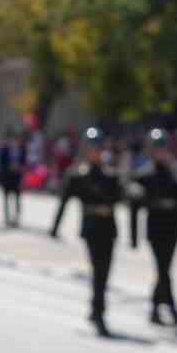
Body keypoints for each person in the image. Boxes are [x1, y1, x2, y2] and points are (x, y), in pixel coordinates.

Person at [51, 127, 124, 337]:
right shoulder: (78, 175)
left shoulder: (111, 174)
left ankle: (95, 307)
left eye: (98, 148)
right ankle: (99, 311)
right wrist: (54, 228)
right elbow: (64, 201)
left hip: (108, 227)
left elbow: (122, 194)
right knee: (99, 270)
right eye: (92, 148)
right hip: (91, 227)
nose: (96, 152)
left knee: (105, 270)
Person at [128, 128, 177, 326]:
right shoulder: (144, 174)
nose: (161, 152)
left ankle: (156, 309)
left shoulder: (176, 172)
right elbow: (134, 206)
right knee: (163, 268)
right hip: (155, 225)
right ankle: (170, 309)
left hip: (173, 225)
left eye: (163, 148)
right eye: (157, 148)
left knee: (164, 268)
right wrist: (133, 237)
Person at [0, 130, 25, 227]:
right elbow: (1, 162)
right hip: (7, 177)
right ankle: (7, 218)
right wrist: (8, 167)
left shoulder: (22, 149)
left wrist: (19, 167)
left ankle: (16, 218)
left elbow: (24, 162)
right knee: (6, 198)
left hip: (17, 177)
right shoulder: (5, 149)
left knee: (17, 198)